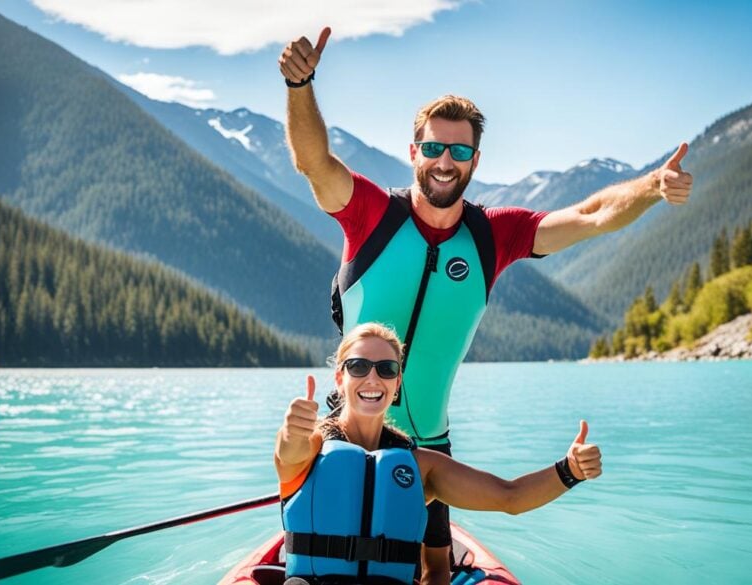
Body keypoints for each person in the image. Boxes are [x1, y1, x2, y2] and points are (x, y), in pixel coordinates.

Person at [278, 27, 691, 584]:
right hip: (343, 431)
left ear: (475, 159)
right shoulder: (370, 213)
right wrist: (299, 84)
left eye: (459, 149)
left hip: (430, 448)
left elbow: (592, 214)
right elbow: (313, 162)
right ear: (413, 152)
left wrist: (650, 187)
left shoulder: (495, 236)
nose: (445, 160)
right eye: (432, 147)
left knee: (437, 572)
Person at [275, 323, 602, 585]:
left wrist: (570, 470)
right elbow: (289, 451)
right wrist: (292, 429)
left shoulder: (422, 467)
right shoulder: (311, 446)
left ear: (398, 382)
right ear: (339, 377)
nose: (372, 378)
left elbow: (510, 497)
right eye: (358, 366)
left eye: (386, 369)